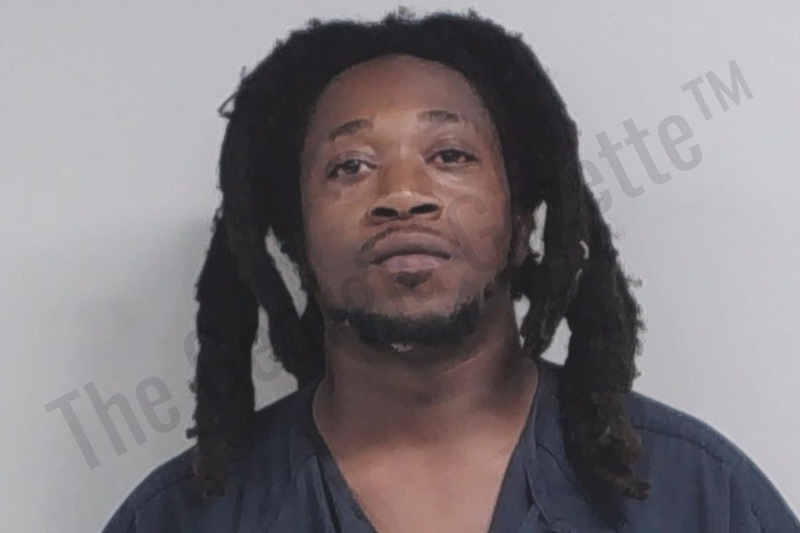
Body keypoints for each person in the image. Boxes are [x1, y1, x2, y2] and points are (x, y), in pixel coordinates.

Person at [101, 9, 800, 533]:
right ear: (298, 238)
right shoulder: (180, 518)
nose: (404, 194)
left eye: (450, 156)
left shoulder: (701, 496)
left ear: (521, 224)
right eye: (350, 166)